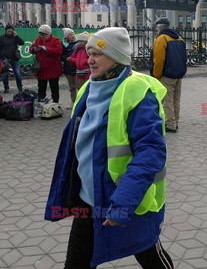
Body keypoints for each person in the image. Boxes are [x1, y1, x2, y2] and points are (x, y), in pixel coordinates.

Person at [44, 27, 174, 269]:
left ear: (117, 58)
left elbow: (150, 152)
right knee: (75, 263)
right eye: (89, 53)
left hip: (128, 200)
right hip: (89, 197)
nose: (90, 60)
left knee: (150, 256)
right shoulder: (88, 88)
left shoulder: (137, 92)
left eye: (97, 54)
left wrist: (124, 202)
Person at [152, 17, 187, 133]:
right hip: (179, 74)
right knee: (176, 99)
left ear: (159, 28)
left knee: (167, 101)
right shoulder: (180, 38)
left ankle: (170, 124)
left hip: (167, 75)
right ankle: (175, 121)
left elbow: (158, 60)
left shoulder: (161, 39)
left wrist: (156, 75)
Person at [29, 25, 63, 103]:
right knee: (41, 87)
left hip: (53, 69)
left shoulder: (56, 40)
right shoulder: (38, 39)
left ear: (49, 33)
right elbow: (31, 49)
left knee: (54, 87)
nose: (42, 36)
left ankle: (55, 104)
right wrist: (34, 49)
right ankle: (41, 103)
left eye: (44, 34)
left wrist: (45, 48)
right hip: (41, 69)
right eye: (41, 34)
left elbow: (58, 51)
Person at [0, 24, 25, 93]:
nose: (10, 32)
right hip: (5, 59)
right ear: (6, 30)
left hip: (14, 59)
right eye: (9, 30)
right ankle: (6, 88)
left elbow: (22, 43)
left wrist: (16, 35)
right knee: (5, 74)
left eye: (11, 31)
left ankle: (20, 88)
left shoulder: (14, 37)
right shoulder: (1, 38)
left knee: (18, 73)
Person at [61, 28, 78, 109]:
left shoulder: (78, 43)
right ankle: (73, 102)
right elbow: (60, 55)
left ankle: (79, 103)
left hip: (77, 67)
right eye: (70, 35)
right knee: (72, 87)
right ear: (66, 36)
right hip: (68, 68)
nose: (72, 36)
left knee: (79, 86)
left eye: (73, 34)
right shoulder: (63, 44)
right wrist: (66, 58)